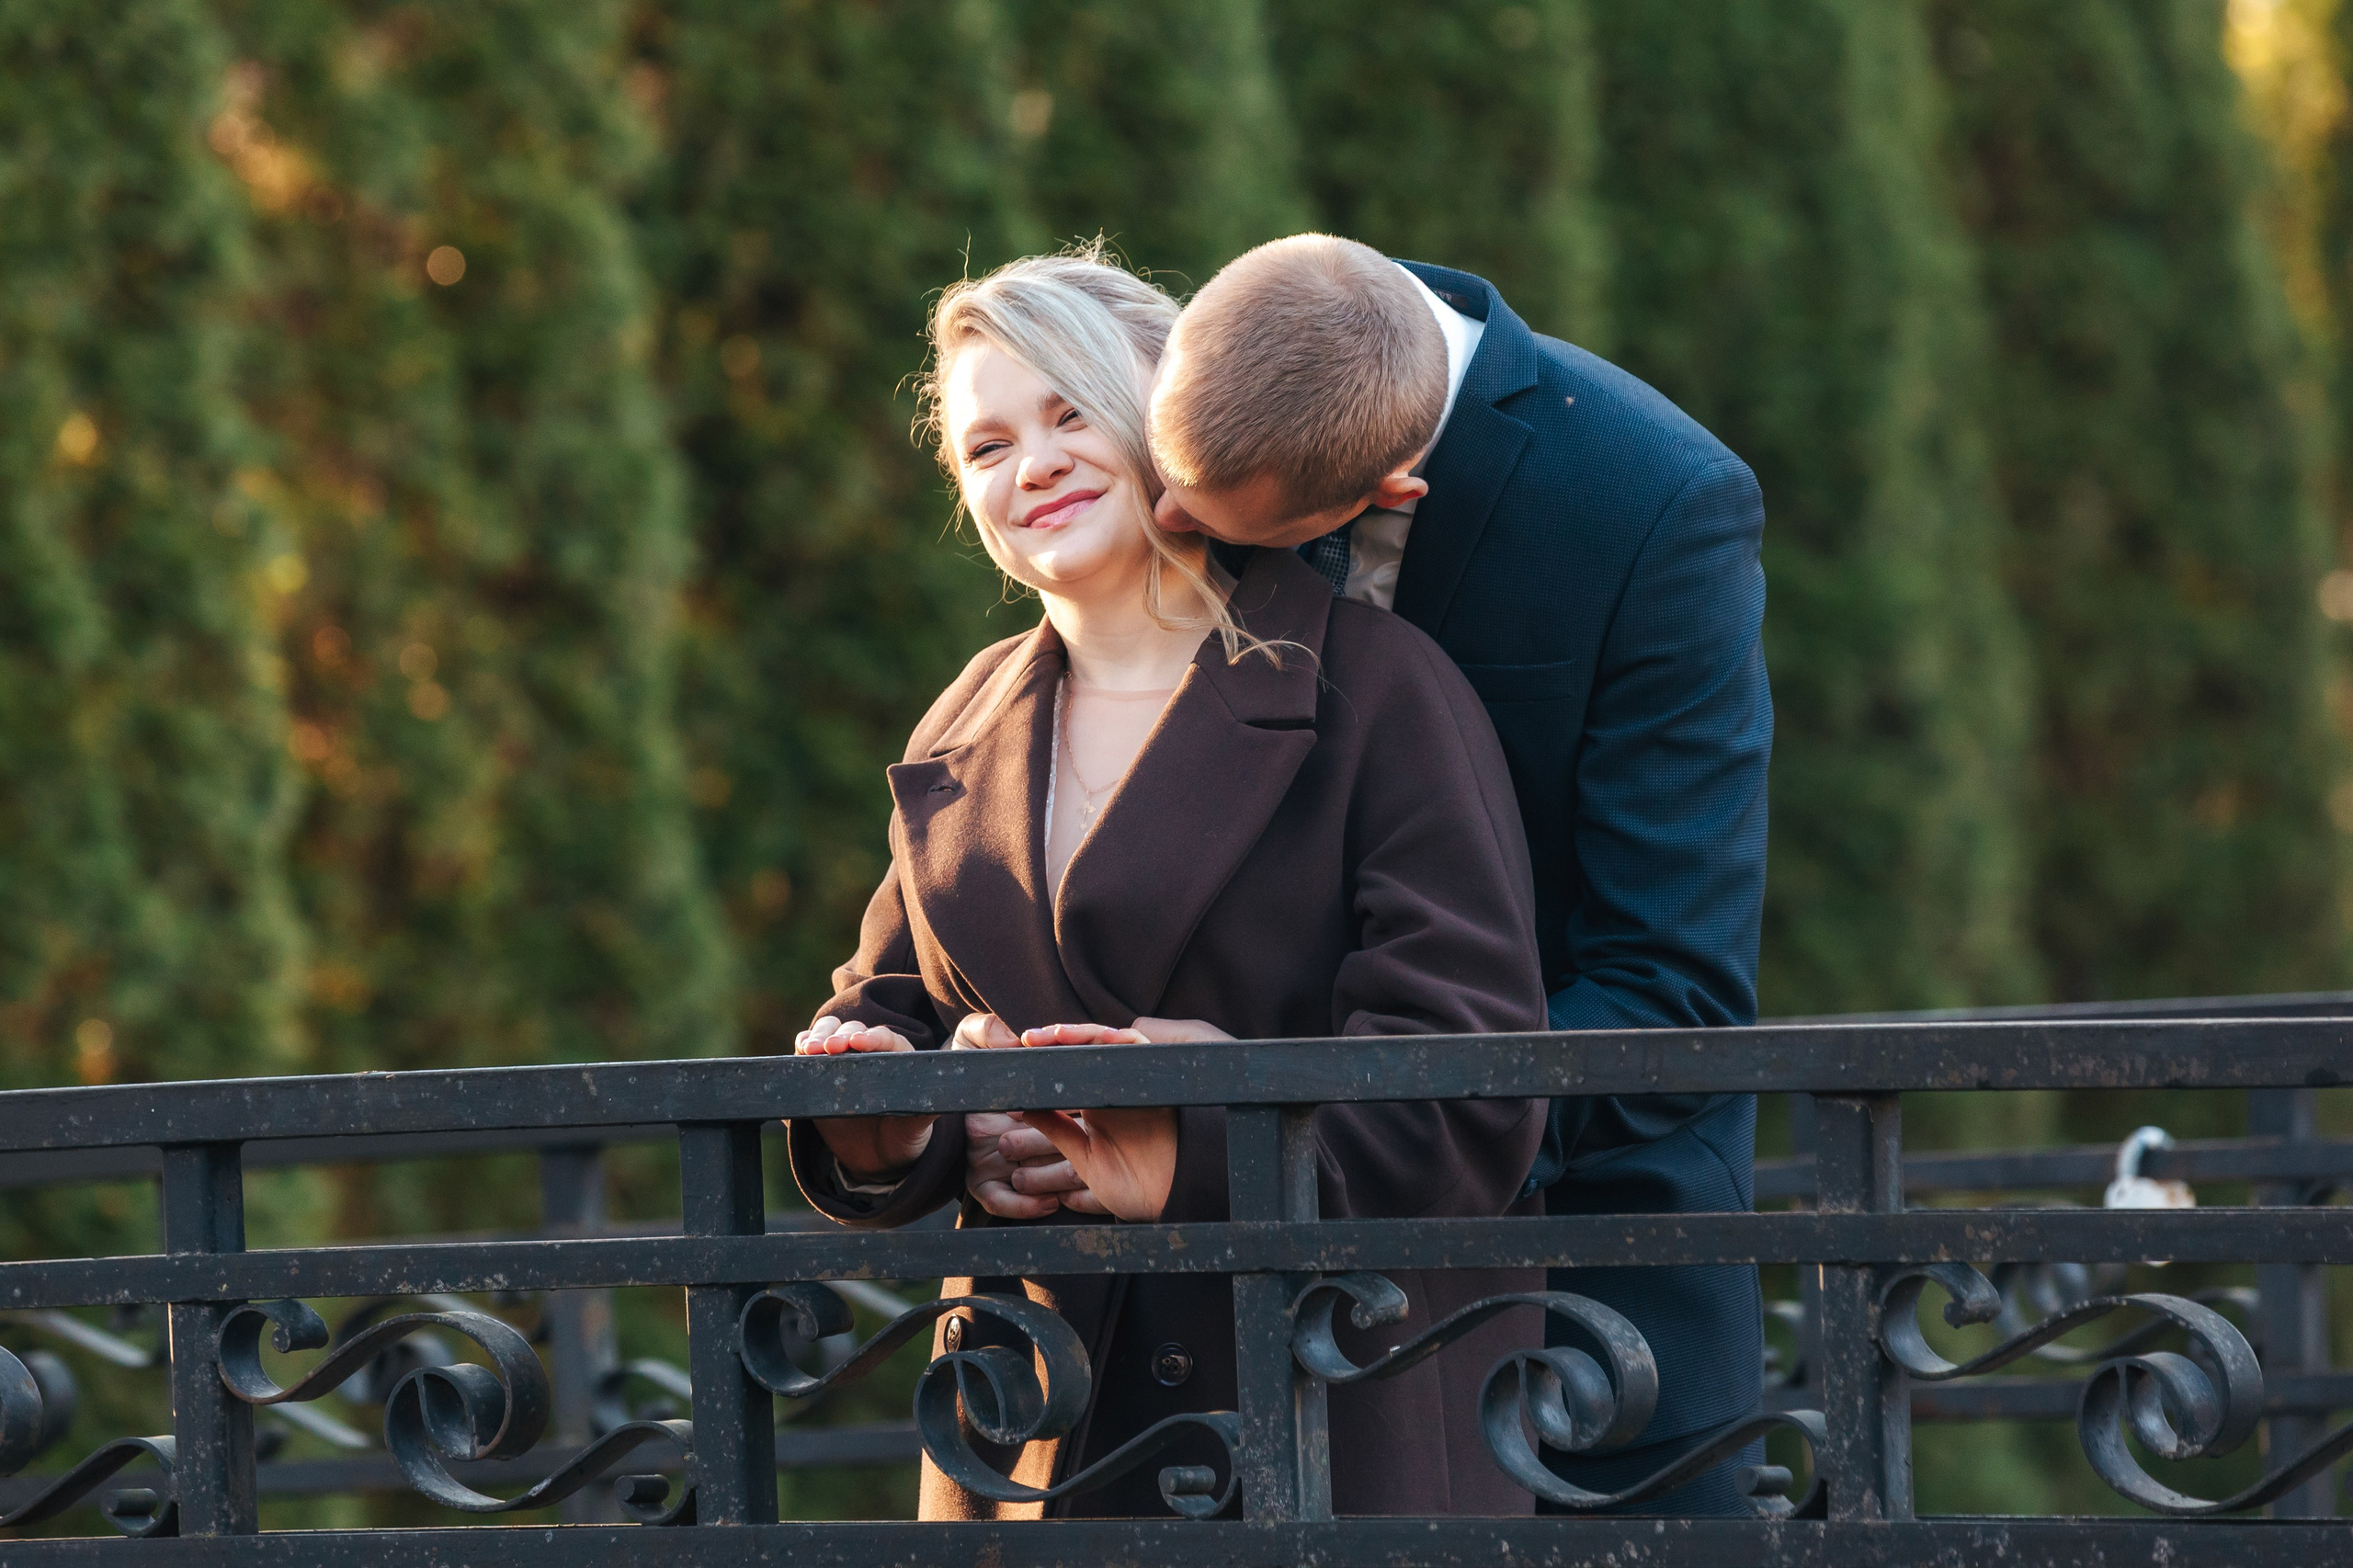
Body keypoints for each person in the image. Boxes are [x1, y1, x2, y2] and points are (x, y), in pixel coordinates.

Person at [786, 247, 1550, 1520]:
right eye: (984, 447)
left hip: (1320, 1423)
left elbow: (1471, 1090)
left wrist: (1198, 1136)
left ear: (1170, 419)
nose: (1030, 464)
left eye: (1071, 410)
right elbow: (892, 1009)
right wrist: (900, 1119)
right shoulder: (957, 726)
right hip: (1031, 1441)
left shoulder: (1382, 692)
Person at [1139, 234, 1773, 1516]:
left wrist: (1327, 1130)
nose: (1163, 534)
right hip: (1235, 1329)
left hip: (1585, 1318)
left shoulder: (1657, 505)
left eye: (1212, 532)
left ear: (1397, 488)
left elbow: (1673, 991)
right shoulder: (1252, 365)